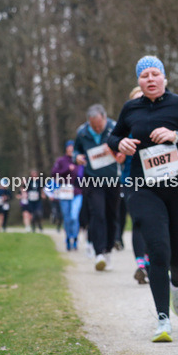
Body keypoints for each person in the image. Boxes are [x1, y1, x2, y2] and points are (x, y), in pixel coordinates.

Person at [109, 56, 178, 342]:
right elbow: (113, 138)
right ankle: (163, 319)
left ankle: (176, 285)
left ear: (164, 78)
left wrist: (176, 135)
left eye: (155, 74)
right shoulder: (130, 108)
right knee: (158, 249)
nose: (150, 79)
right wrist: (121, 143)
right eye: (144, 76)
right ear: (138, 82)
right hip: (144, 187)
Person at [74, 104, 121, 271]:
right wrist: (77, 157)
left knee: (111, 215)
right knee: (97, 214)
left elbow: (123, 145)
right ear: (89, 122)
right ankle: (98, 252)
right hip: (92, 180)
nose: (97, 128)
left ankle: (108, 250)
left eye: (99, 125)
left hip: (113, 179)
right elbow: (76, 149)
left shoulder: (115, 127)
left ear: (105, 118)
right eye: (94, 126)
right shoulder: (82, 132)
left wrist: (120, 152)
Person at [120, 86, 150, 284]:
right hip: (133, 179)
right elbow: (118, 154)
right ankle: (142, 264)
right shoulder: (127, 123)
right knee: (139, 221)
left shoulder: (159, 121)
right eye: (137, 99)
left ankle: (152, 261)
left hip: (159, 179)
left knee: (156, 222)